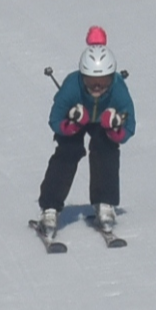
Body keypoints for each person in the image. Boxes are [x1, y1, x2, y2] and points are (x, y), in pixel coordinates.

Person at [38, 26, 135, 234]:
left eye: (104, 81)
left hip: (103, 121)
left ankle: (105, 203)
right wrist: (71, 124)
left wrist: (114, 127)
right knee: (68, 151)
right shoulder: (71, 87)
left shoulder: (118, 89)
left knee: (106, 148)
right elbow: (55, 120)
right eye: (91, 81)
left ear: (112, 77)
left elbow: (129, 126)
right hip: (77, 118)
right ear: (82, 77)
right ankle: (50, 207)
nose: (97, 87)